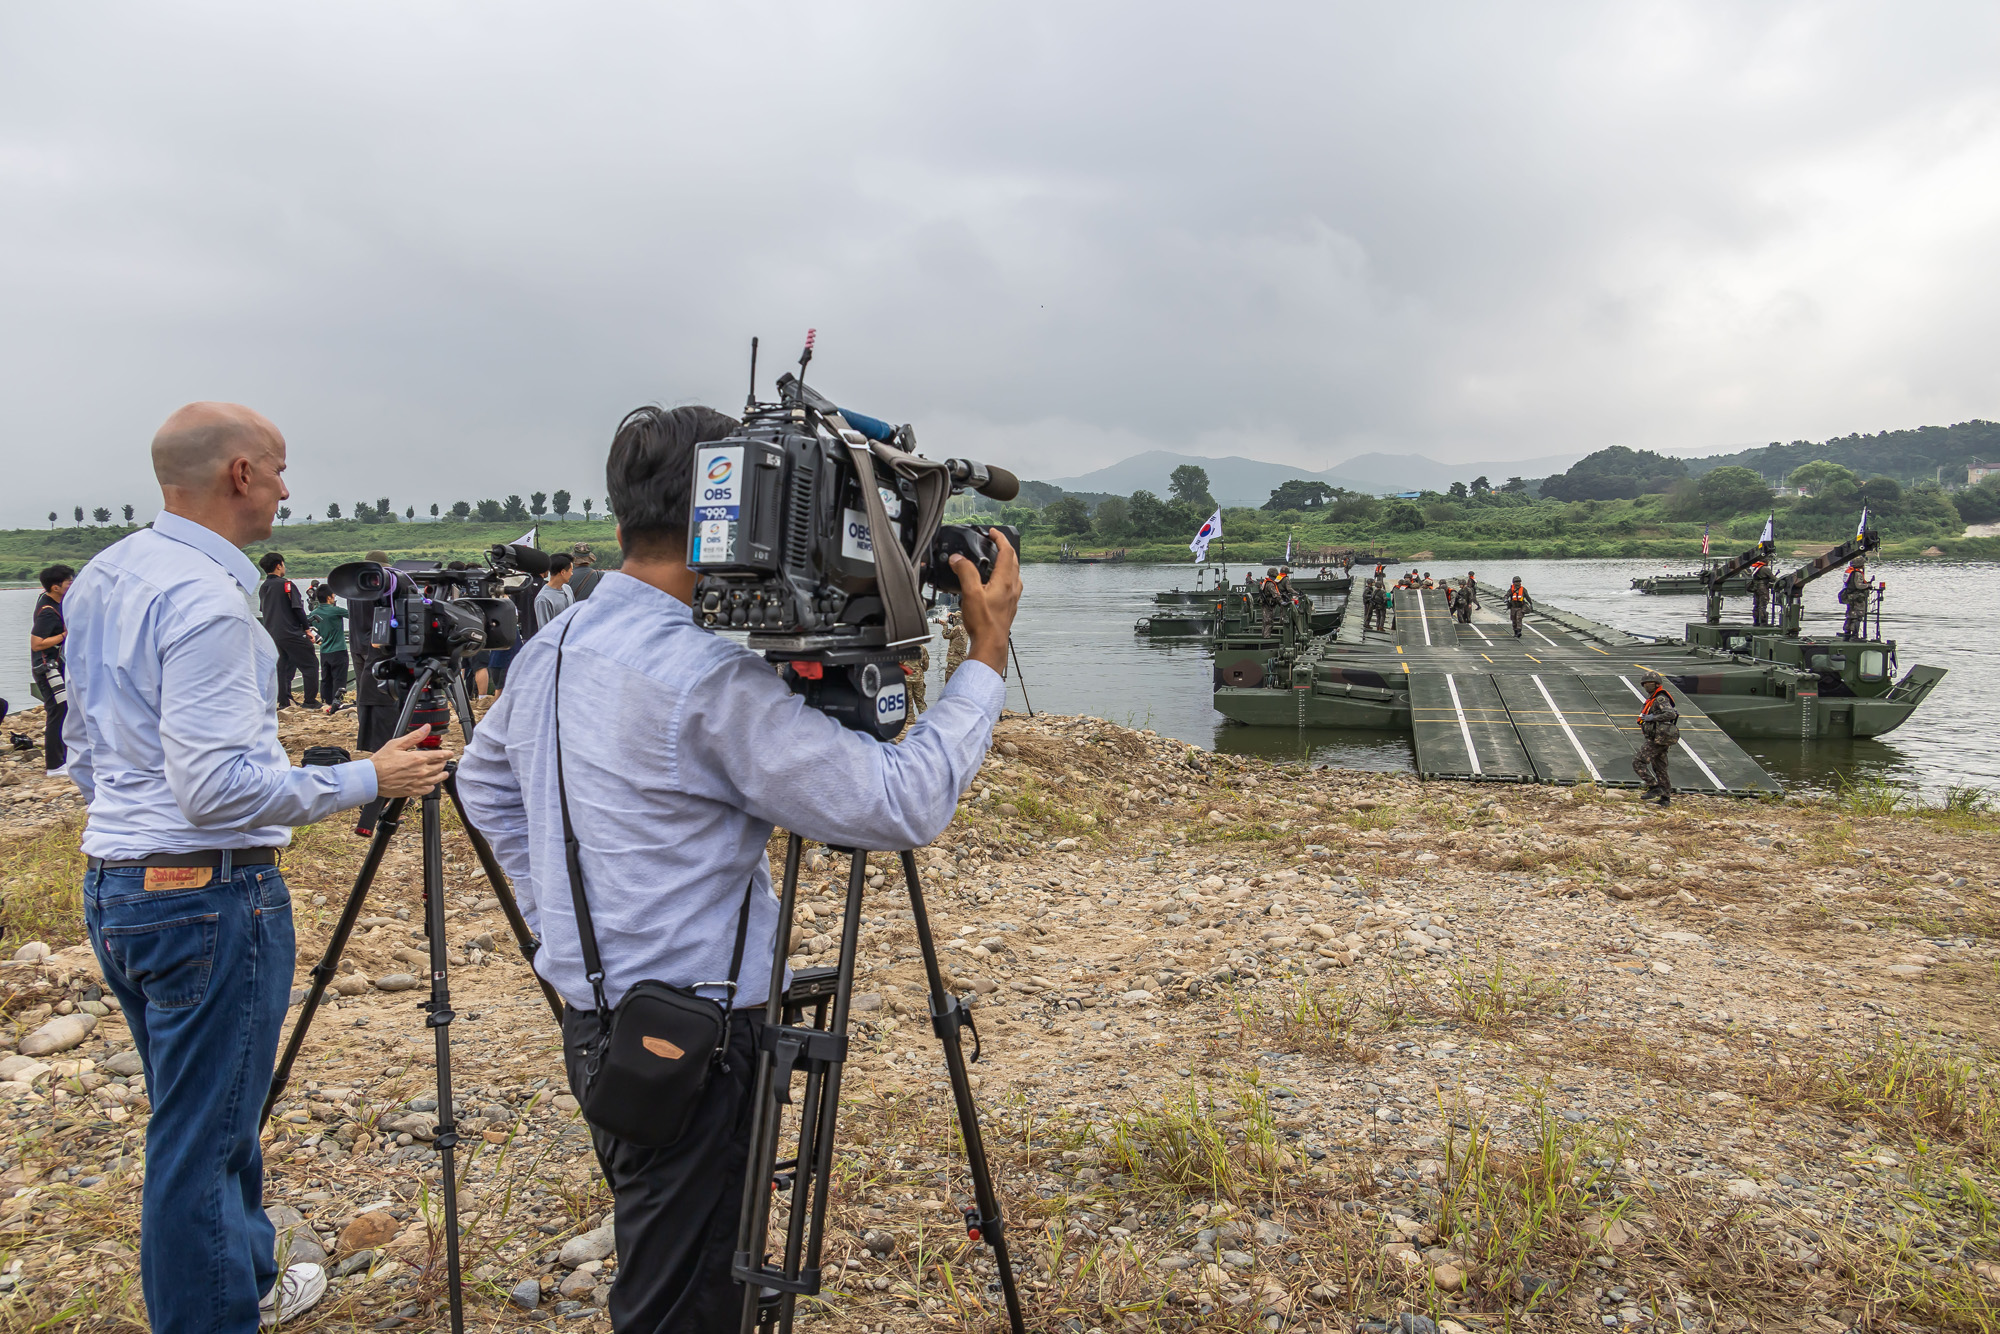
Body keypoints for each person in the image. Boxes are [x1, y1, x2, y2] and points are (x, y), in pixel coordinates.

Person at [456, 403, 1021, 1331]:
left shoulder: (556, 641)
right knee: (687, 1303)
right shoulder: (705, 676)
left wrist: (569, 916)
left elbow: (485, 787)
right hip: (701, 1039)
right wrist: (984, 657)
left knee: (669, 1250)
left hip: (598, 1018)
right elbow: (900, 803)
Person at [60, 402, 451, 1334]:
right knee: (198, 1140)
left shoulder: (108, 576)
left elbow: (81, 747)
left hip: (120, 879)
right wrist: (372, 776)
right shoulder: (207, 603)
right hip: (204, 892)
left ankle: (251, 1276)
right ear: (239, 474)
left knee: (206, 1110)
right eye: (277, 469)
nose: (285, 487)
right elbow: (218, 792)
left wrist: (130, 823)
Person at [257, 553, 319, 710]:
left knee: (283, 666)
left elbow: (264, 611)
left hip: (273, 634)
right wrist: (307, 629)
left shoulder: (264, 587)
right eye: (283, 564)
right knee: (310, 664)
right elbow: (297, 610)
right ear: (279, 565)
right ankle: (310, 701)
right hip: (291, 632)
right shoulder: (287, 585)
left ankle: (284, 701)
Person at [30, 564, 76, 774]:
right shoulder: (48, 611)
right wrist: (65, 635)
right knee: (57, 711)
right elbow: (36, 643)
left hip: (56, 665)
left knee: (64, 709)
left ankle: (64, 757)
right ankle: (55, 765)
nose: (72, 584)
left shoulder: (51, 600)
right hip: (48, 668)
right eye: (69, 581)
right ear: (56, 587)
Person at [1632, 672, 1679, 805]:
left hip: (1658, 738)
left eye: (1649, 683)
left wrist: (1652, 718)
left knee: (1638, 762)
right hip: (1659, 737)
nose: (1646, 686)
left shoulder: (1660, 699)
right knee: (1660, 767)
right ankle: (1665, 798)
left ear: (1657, 684)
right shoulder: (1653, 698)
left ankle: (1654, 786)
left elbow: (1670, 713)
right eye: (1644, 684)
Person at [306, 584, 348, 713]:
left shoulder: (314, 613)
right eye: (334, 596)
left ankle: (326, 700)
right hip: (339, 649)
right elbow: (354, 615)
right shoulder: (336, 611)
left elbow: (306, 626)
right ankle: (337, 702)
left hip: (324, 650)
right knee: (339, 678)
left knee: (326, 678)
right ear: (329, 597)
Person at [535, 552, 576, 628]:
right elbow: (544, 629)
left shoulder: (567, 589)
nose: (572, 574)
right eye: (571, 571)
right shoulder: (543, 598)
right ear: (563, 572)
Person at [1840, 557, 1872, 640]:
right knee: (1858, 616)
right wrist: (1868, 585)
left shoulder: (1849, 572)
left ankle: (1847, 634)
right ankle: (1855, 635)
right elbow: (1858, 585)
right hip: (1857, 597)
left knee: (1850, 615)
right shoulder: (1857, 573)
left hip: (1849, 596)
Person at [1748, 561, 1775, 627]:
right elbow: (1773, 578)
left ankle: (1756, 622)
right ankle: (1763, 622)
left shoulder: (1756, 568)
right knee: (1763, 605)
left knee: (1756, 605)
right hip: (1763, 588)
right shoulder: (1765, 568)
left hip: (1756, 588)